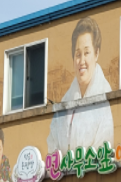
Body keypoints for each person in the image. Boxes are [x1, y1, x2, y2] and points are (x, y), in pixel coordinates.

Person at [46, 17, 114, 154]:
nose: (81, 61)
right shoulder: (65, 102)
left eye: (87, 53)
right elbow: (52, 144)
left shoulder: (106, 99)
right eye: (78, 54)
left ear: (96, 53)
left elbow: (104, 148)